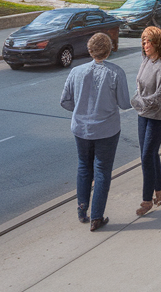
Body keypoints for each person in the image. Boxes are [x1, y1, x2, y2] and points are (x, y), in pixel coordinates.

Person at [59, 32, 131, 232]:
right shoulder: (116, 72)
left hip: (81, 129)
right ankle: (97, 217)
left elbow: (65, 101)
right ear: (108, 50)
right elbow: (125, 103)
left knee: (84, 167)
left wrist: (82, 111)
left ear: (90, 51)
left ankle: (82, 210)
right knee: (102, 171)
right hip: (106, 130)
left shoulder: (76, 72)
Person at [132, 26, 161, 216]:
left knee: (147, 155)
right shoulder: (145, 60)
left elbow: (159, 96)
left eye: (149, 41)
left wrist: (140, 101)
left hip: (160, 115)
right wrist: (138, 101)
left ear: (158, 43)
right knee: (148, 153)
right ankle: (160, 188)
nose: (145, 45)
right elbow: (140, 87)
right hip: (143, 113)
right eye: (143, 41)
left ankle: (146, 200)